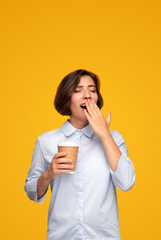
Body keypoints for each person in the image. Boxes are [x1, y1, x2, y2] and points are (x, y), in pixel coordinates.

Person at [24, 69, 136, 240]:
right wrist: (48, 174)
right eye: (78, 90)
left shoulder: (114, 137)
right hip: (62, 236)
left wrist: (104, 134)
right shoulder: (46, 141)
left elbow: (126, 182)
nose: (87, 95)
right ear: (66, 98)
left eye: (92, 90)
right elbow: (31, 191)